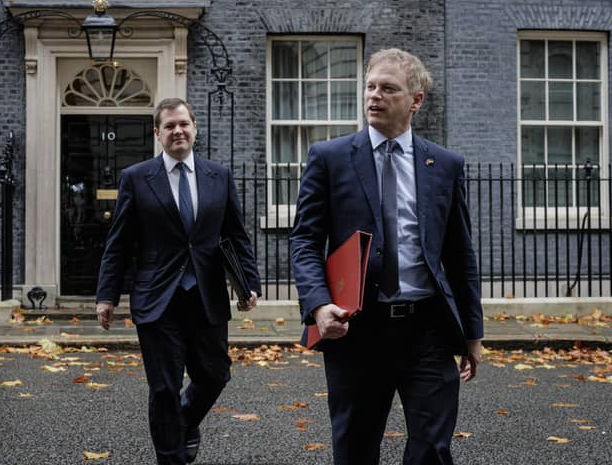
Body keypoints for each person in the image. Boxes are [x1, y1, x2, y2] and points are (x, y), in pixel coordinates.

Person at [290, 49, 483, 465]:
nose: (375, 96)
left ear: (415, 100)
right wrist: (319, 304)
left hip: (427, 327)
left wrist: (472, 334)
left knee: (432, 449)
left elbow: (459, 252)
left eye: (388, 89)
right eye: (371, 86)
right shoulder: (330, 157)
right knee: (356, 449)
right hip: (359, 330)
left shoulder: (445, 164)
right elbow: (305, 240)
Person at [96, 97, 260, 464]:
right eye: (169, 126)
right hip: (157, 298)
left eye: (183, 124)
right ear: (158, 133)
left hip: (207, 295)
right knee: (164, 387)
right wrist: (106, 296)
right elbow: (119, 242)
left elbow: (236, 235)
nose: (178, 131)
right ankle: (170, 457)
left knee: (216, 375)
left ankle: (184, 421)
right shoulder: (136, 178)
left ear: (195, 128)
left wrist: (249, 283)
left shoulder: (219, 175)